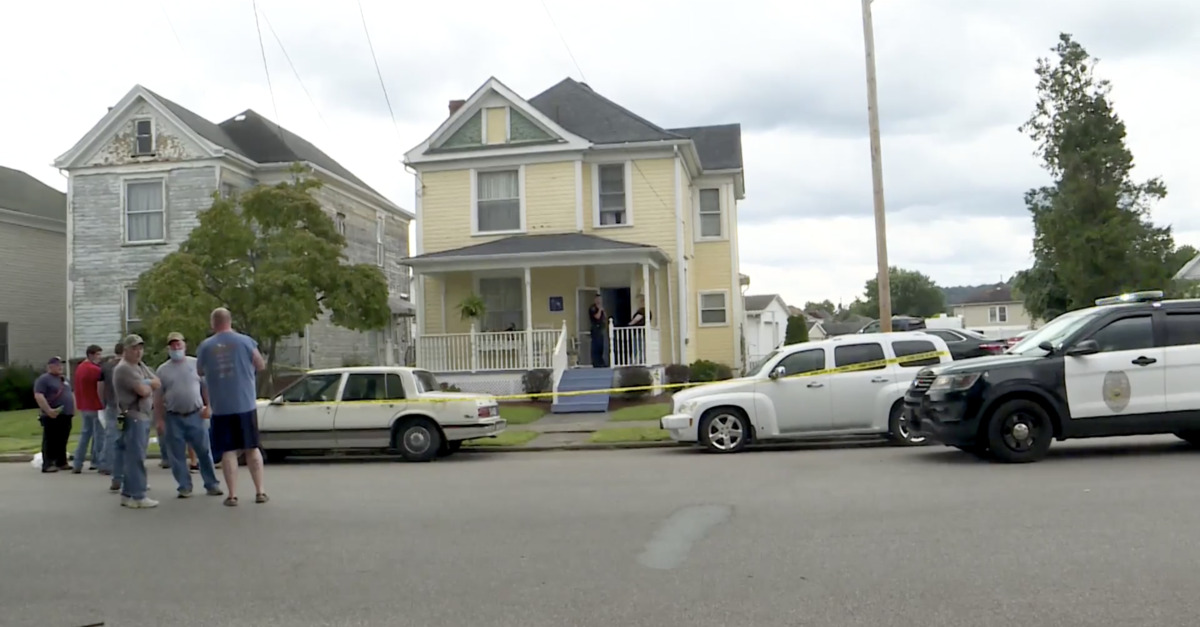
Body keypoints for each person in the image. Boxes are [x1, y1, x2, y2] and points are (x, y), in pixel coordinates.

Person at [196, 307, 268, 506]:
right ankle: (260, 491)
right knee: (252, 447)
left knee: (228, 451)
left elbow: (200, 370)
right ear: (230, 320)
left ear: (213, 323)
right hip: (245, 403)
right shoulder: (246, 341)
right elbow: (260, 364)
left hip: (221, 406)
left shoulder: (205, 346)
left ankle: (232, 494)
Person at [155, 332, 223, 498]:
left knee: (204, 451)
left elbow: (205, 387)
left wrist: (208, 406)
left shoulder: (195, 364)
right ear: (168, 348)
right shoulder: (163, 370)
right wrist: (159, 419)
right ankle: (184, 486)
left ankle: (211, 484)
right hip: (173, 417)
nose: (176, 347)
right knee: (177, 455)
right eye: (172, 345)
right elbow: (158, 397)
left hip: (196, 414)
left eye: (178, 344)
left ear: (184, 345)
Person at [113, 334, 161, 509]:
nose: (138, 351)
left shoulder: (140, 366)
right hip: (133, 416)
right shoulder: (125, 368)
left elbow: (157, 381)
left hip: (142, 415)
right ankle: (138, 495)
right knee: (136, 457)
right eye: (134, 348)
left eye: (140, 348)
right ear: (125, 350)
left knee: (134, 455)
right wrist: (148, 384)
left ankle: (127, 493)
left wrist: (148, 382)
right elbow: (143, 390)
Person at [33, 356, 75, 473]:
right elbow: (39, 395)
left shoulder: (64, 379)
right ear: (50, 366)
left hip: (66, 414)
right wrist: (48, 410)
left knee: (63, 438)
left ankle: (61, 461)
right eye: (57, 365)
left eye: (61, 365)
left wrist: (73, 408)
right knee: (51, 439)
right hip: (52, 414)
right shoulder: (44, 379)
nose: (60, 367)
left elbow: (70, 393)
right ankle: (48, 463)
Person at [71, 345, 106, 474]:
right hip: (95, 405)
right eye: (98, 355)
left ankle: (77, 462)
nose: (100, 358)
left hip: (84, 406)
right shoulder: (95, 370)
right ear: (91, 355)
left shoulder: (80, 368)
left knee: (85, 434)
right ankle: (97, 462)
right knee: (99, 435)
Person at [97, 342, 124, 485]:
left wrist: (102, 401)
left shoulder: (106, 367)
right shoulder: (127, 366)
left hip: (111, 404)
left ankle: (105, 463)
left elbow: (100, 386)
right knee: (123, 435)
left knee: (110, 434)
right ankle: (119, 466)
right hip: (124, 406)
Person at [588, 294, 608, 368]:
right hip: (595, 328)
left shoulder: (601, 307)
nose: (599, 301)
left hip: (601, 329)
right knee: (595, 346)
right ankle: (596, 363)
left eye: (600, 299)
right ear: (595, 300)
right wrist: (600, 310)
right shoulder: (593, 308)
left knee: (601, 346)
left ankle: (601, 362)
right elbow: (597, 317)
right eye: (598, 299)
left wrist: (603, 310)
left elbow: (604, 317)